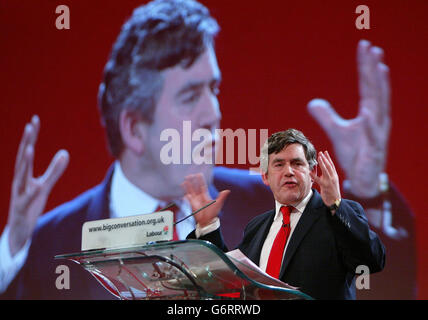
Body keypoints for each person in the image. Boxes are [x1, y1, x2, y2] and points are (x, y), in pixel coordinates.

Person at [0, 0, 415, 299]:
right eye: (190, 95)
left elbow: (360, 279)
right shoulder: (43, 247)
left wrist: (367, 187)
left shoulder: (270, 202)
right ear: (133, 127)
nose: (214, 113)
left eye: (214, 89)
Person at [184, 129, 386, 299]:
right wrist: (208, 225)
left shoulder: (336, 215)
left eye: (297, 164)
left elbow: (371, 261)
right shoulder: (256, 227)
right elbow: (228, 280)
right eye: (279, 165)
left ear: (312, 171)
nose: (289, 171)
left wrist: (335, 205)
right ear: (265, 176)